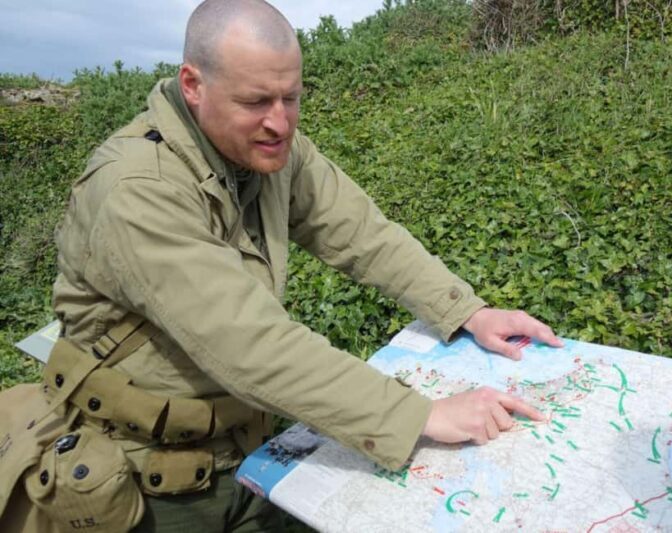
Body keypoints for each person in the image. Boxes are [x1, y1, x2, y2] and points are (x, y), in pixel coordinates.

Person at [0, 1, 562, 531]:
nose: (280, 122)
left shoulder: (269, 151)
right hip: (140, 474)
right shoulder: (136, 189)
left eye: (291, 97)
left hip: (248, 443)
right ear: (193, 86)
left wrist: (466, 310)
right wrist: (415, 417)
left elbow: (362, 234)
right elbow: (247, 341)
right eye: (255, 102)